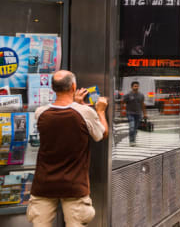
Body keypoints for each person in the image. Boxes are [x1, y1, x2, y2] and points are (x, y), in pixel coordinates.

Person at [26, 70, 108, 226]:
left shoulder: (40, 113)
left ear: (53, 88)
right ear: (73, 86)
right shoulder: (85, 112)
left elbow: (63, 120)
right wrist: (100, 111)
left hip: (43, 184)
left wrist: (77, 104)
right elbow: (101, 134)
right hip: (74, 186)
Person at [122, 81, 145, 146]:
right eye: (135, 86)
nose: (136, 87)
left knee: (135, 128)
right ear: (132, 87)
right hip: (130, 113)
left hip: (138, 114)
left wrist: (145, 114)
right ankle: (131, 141)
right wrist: (122, 111)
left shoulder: (141, 95)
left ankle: (133, 140)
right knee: (132, 127)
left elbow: (142, 104)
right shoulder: (128, 95)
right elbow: (123, 102)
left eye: (137, 86)